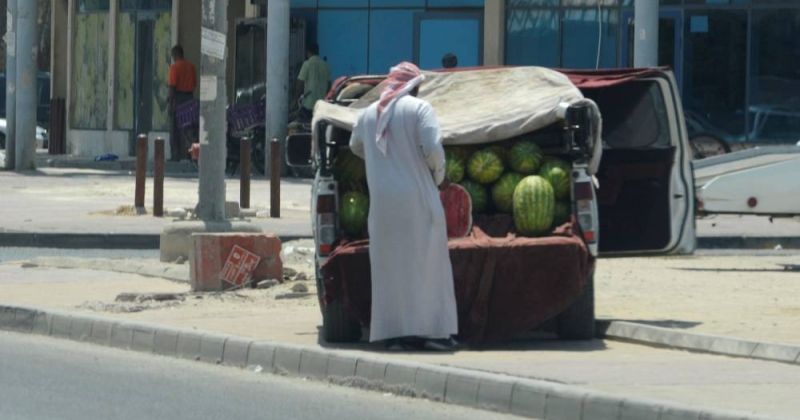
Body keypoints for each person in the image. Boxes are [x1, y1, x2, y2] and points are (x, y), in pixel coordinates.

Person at [349, 62, 458, 351]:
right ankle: (434, 334)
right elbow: (433, 147)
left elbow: (355, 146)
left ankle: (394, 335)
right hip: (418, 200)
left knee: (389, 269)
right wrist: (440, 176)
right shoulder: (420, 109)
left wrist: (379, 162)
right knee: (428, 265)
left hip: (383, 205)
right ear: (415, 85)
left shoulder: (368, 114)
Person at [168, 45, 197, 161]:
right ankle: (189, 154)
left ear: (175, 55)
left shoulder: (174, 68)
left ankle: (175, 155)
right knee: (189, 127)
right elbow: (194, 84)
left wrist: (171, 104)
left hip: (178, 99)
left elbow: (171, 87)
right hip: (189, 98)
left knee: (175, 129)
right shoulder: (191, 67)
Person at [295, 44, 331, 122]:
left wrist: (296, 99)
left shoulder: (307, 64)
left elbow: (300, 83)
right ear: (318, 52)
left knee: (303, 126)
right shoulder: (325, 65)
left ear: (308, 52)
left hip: (308, 105)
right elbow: (329, 86)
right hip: (321, 106)